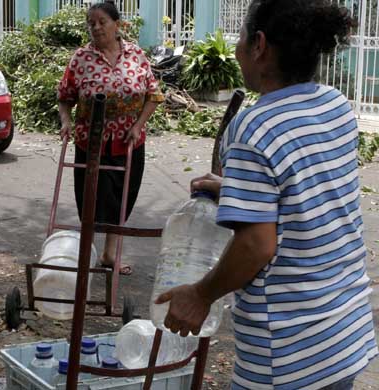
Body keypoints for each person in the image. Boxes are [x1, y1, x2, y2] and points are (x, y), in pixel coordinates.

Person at [155, 0, 378, 389]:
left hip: (287, 352)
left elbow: (257, 245)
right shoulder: (336, 106)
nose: (237, 47)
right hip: (345, 333)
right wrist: (240, 192)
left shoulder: (254, 127)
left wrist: (200, 295)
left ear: (259, 45)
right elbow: (310, 189)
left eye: (241, 36)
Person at [57, 1, 163, 275]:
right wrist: (66, 121)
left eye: (102, 22)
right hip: (90, 142)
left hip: (128, 141)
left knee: (122, 198)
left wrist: (139, 125)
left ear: (117, 25)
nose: (96, 27)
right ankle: (86, 255)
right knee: (90, 198)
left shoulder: (136, 54)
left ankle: (109, 255)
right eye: (91, 23)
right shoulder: (81, 58)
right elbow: (65, 96)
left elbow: (153, 94)